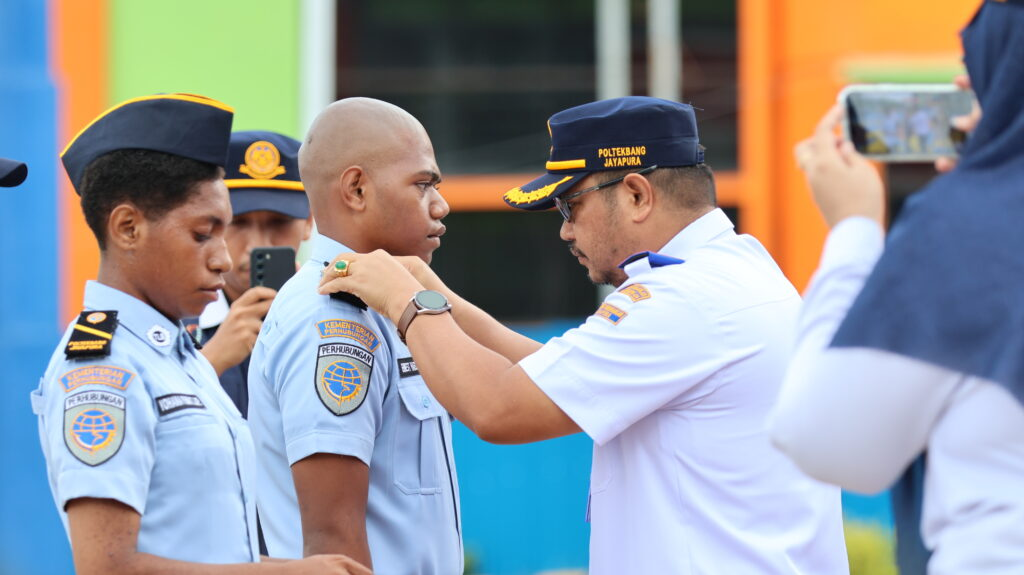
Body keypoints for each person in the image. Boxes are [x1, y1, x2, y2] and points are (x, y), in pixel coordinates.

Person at [317, 96, 849, 575]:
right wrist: (441, 298)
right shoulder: (731, 272)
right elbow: (552, 373)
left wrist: (406, 304)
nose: (565, 230)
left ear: (637, 193)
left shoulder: (684, 299)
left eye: (572, 206)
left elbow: (499, 408)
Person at [31, 93, 369, 575]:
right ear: (128, 228)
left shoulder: (177, 357)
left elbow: (211, 551)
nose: (226, 259)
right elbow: (106, 566)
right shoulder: (104, 367)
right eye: (202, 234)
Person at [769, 2, 1024, 574]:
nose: (961, 82)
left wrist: (853, 230)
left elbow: (824, 439)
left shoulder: (971, 226)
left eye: (983, 59)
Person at [248, 97, 461, 572]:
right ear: (357, 189)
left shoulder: (386, 305)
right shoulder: (333, 321)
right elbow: (333, 540)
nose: (440, 204)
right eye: (422, 184)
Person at [194, 130, 312, 417]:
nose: (258, 244)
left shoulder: (335, 312)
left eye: (279, 222)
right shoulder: (174, 320)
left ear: (309, 223)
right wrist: (210, 361)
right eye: (239, 222)